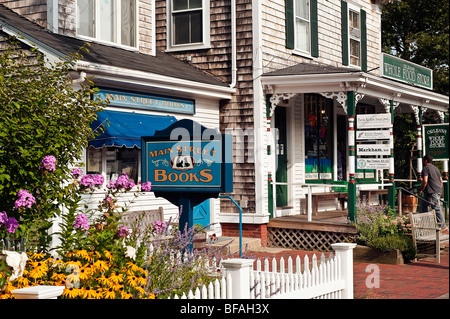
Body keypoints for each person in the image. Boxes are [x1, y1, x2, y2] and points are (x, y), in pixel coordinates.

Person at [418, 154, 447, 231]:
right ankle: (425, 223)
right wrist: (439, 189)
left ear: (426, 161)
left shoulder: (426, 169)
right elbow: (441, 181)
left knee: (436, 207)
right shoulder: (436, 168)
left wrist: (421, 190)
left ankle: (443, 225)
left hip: (432, 191)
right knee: (423, 206)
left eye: (423, 160)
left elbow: (425, 181)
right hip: (435, 190)